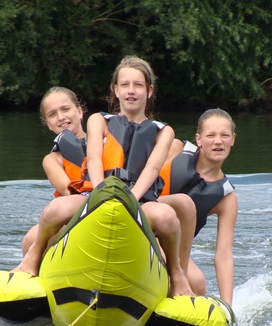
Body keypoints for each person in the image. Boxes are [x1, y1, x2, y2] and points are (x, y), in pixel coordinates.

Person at [14, 55, 194, 297]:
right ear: (116, 90)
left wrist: (130, 197)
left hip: (139, 200)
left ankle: (175, 271)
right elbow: (96, 158)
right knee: (55, 209)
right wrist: (101, 193)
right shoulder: (99, 121)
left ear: (149, 91)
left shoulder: (164, 131)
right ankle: (33, 259)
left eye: (138, 85)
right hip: (96, 195)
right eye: (125, 85)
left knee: (167, 217)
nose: (131, 91)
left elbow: (152, 169)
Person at [159, 108, 238, 305]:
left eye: (224, 135)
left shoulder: (226, 197)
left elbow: (224, 255)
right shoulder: (174, 149)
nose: (218, 141)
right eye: (210, 135)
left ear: (232, 140)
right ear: (199, 139)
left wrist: (228, 307)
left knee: (198, 284)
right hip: (142, 221)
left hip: (171, 246)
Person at [21, 86, 88, 254]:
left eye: (66, 109)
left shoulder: (108, 143)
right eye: (52, 114)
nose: (61, 117)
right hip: (75, 215)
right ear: (48, 125)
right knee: (30, 239)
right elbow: (68, 192)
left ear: (79, 112)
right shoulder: (52, 160)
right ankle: (32, 272)